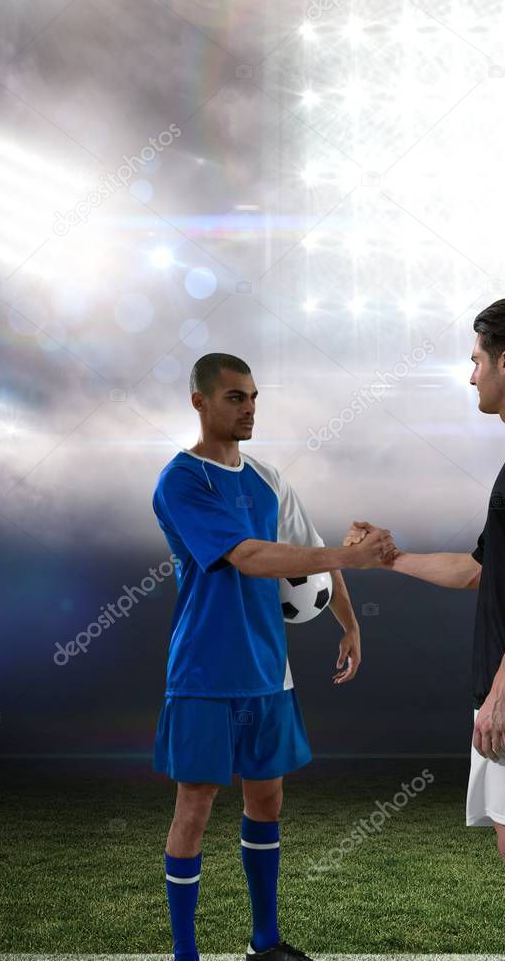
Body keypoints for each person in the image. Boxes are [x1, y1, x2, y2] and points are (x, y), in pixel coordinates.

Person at [344, 296, 505, 961]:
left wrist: (503, 687)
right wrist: (393, 557)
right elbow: (478, 570)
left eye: (475, 360)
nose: (471, 376)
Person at [151, 352, 396, 961]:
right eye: (235, 397)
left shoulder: (268, 479)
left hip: (269, 673)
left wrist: (351, 625)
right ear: (199, 402)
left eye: (254, 396)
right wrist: (349, 558)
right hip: (204, 674)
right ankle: (186, 955)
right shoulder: (180, 481)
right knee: (195, 806)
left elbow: (311, 551)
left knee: (267, 801)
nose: (250, 408)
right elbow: (252, 557)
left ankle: (266, 943)